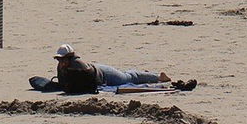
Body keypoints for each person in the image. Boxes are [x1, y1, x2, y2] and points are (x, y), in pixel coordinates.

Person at [51, 44, 193, 91]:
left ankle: (158, 77)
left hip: (105, 75)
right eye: (59, 59)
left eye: (63, 59)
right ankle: (151, 75)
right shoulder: (61, 67)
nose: (61, 62)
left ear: (70, 58)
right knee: (128, 75)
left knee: (128, 77)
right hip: (100, 71)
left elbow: (90, 82)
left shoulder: (79, 66)